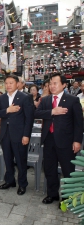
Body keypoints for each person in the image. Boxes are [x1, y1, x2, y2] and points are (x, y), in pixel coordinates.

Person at [34, 73, 83, 206]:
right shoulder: (45, 100)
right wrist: (52, 112)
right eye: (50, 83)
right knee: (49, 169)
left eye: (55, 83)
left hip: (66, 142)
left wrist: (77, 141)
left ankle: (68, 198)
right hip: (49, 140)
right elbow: (36, 113)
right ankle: (52, 194)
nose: (52, 86)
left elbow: (79, 123)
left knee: (68, 170)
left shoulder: (72, 100)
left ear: (63, 84)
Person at [0, 74, 34, 195]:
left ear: (17, 84)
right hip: (5, 134)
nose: (8, 85)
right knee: (7, 159)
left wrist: (26, 135)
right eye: (6, 83)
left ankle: (22, 184)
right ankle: (10, 180)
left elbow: (29, 118)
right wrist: (7, 110)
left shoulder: (25, 97)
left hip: (20, 135)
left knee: (21, 161)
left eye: (11, 83)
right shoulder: (2, 98)